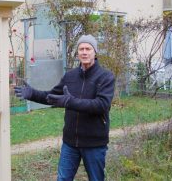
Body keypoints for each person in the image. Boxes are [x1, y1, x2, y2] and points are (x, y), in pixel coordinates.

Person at [14, 34, 115, 181]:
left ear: (95, 52)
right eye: (81, 49)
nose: (84, 52)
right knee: (63, 179)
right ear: (78, 52)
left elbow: (101, 105)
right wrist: (32, 94)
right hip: (70, 142)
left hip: (94, 143)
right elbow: (52, 97)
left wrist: (70, 102)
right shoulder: (70, 76)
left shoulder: (105, 77)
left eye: (88, 49)